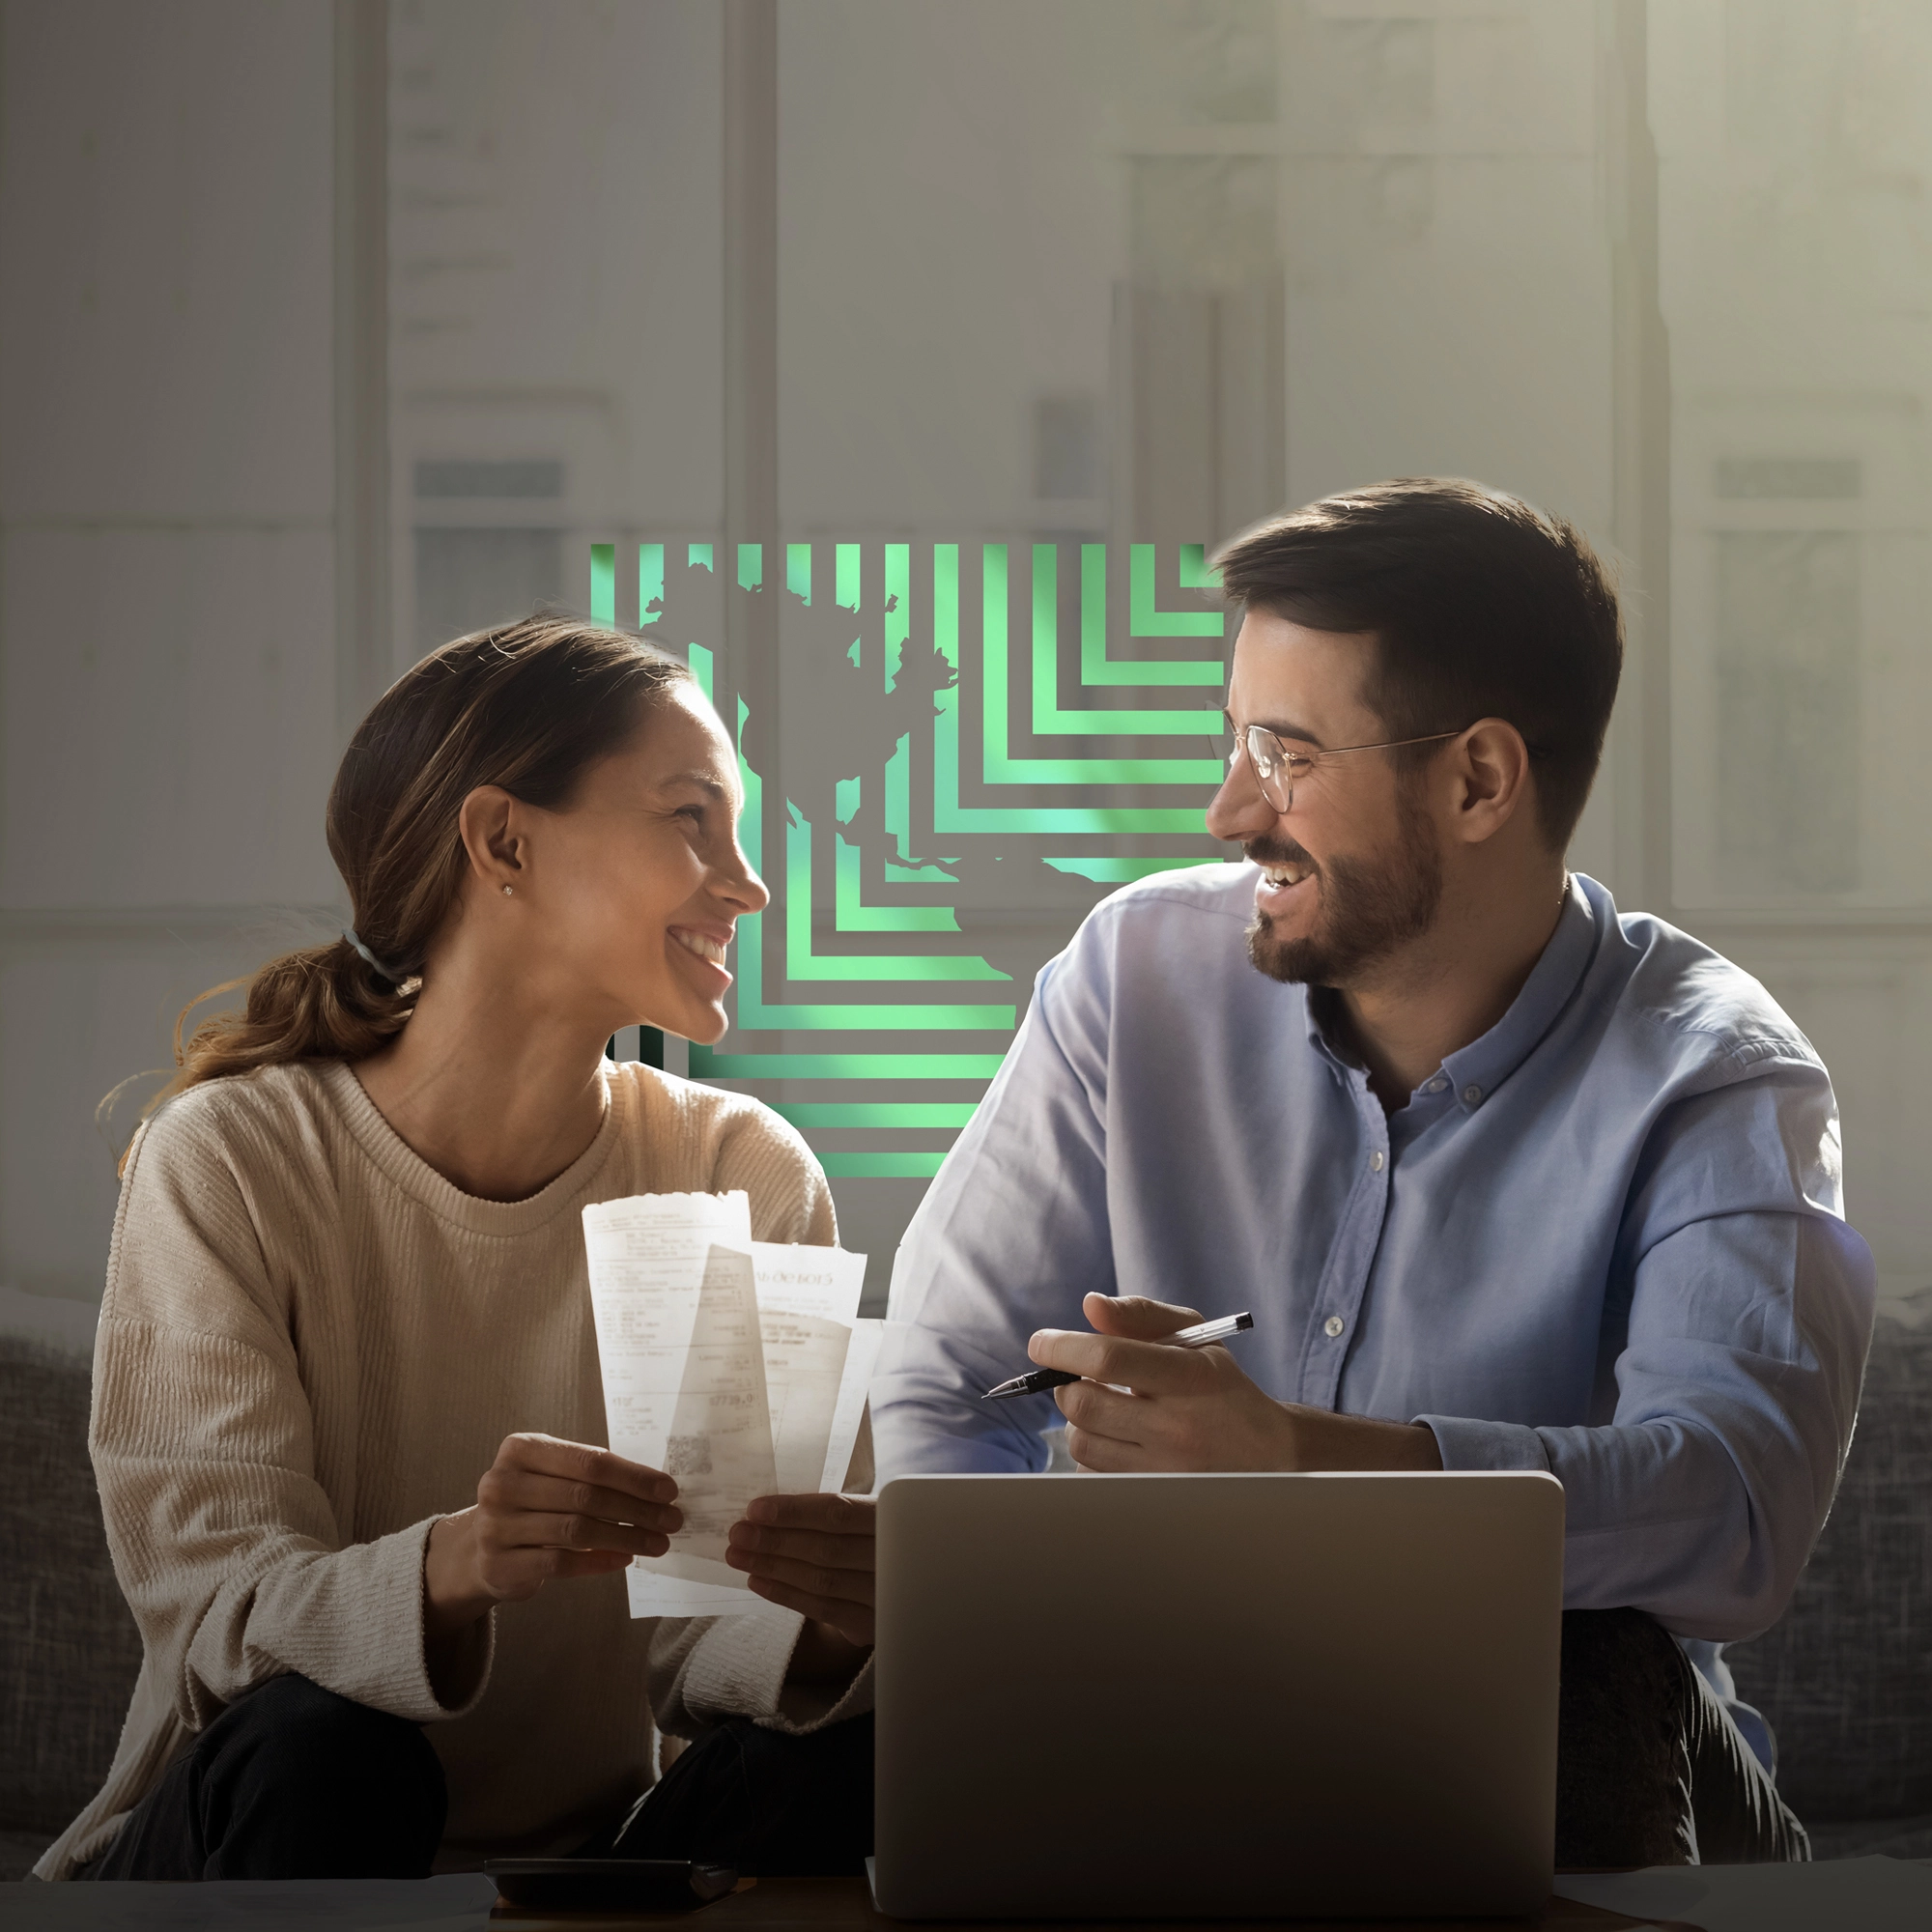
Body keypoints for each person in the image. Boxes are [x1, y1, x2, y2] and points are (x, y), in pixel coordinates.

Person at [870, 480, 1876, 1867]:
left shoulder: (1714, 1073)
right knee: (770, 1775)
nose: (1229, 808)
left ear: (1477, 779)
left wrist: (1301, 1467)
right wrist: (1025, 1643)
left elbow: (1733, 1517)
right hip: (1178, 1708)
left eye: (1284, 755)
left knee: (1591, 1668)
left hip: (1591, 1751)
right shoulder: (1132, 975)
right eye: (1235, 744)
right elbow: (945, 1385)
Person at [38, 618, 876, 1883]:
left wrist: (837, 1625)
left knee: (855, 1749)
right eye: (692, 819)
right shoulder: (233, 1157)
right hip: (255, 1840)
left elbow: (712, 1649)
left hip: (585, 1868)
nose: (747, 881)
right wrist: (458, 1566)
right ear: (503, 842)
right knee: (332, 1749)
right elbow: (218, 1626)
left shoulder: (736, 1171)